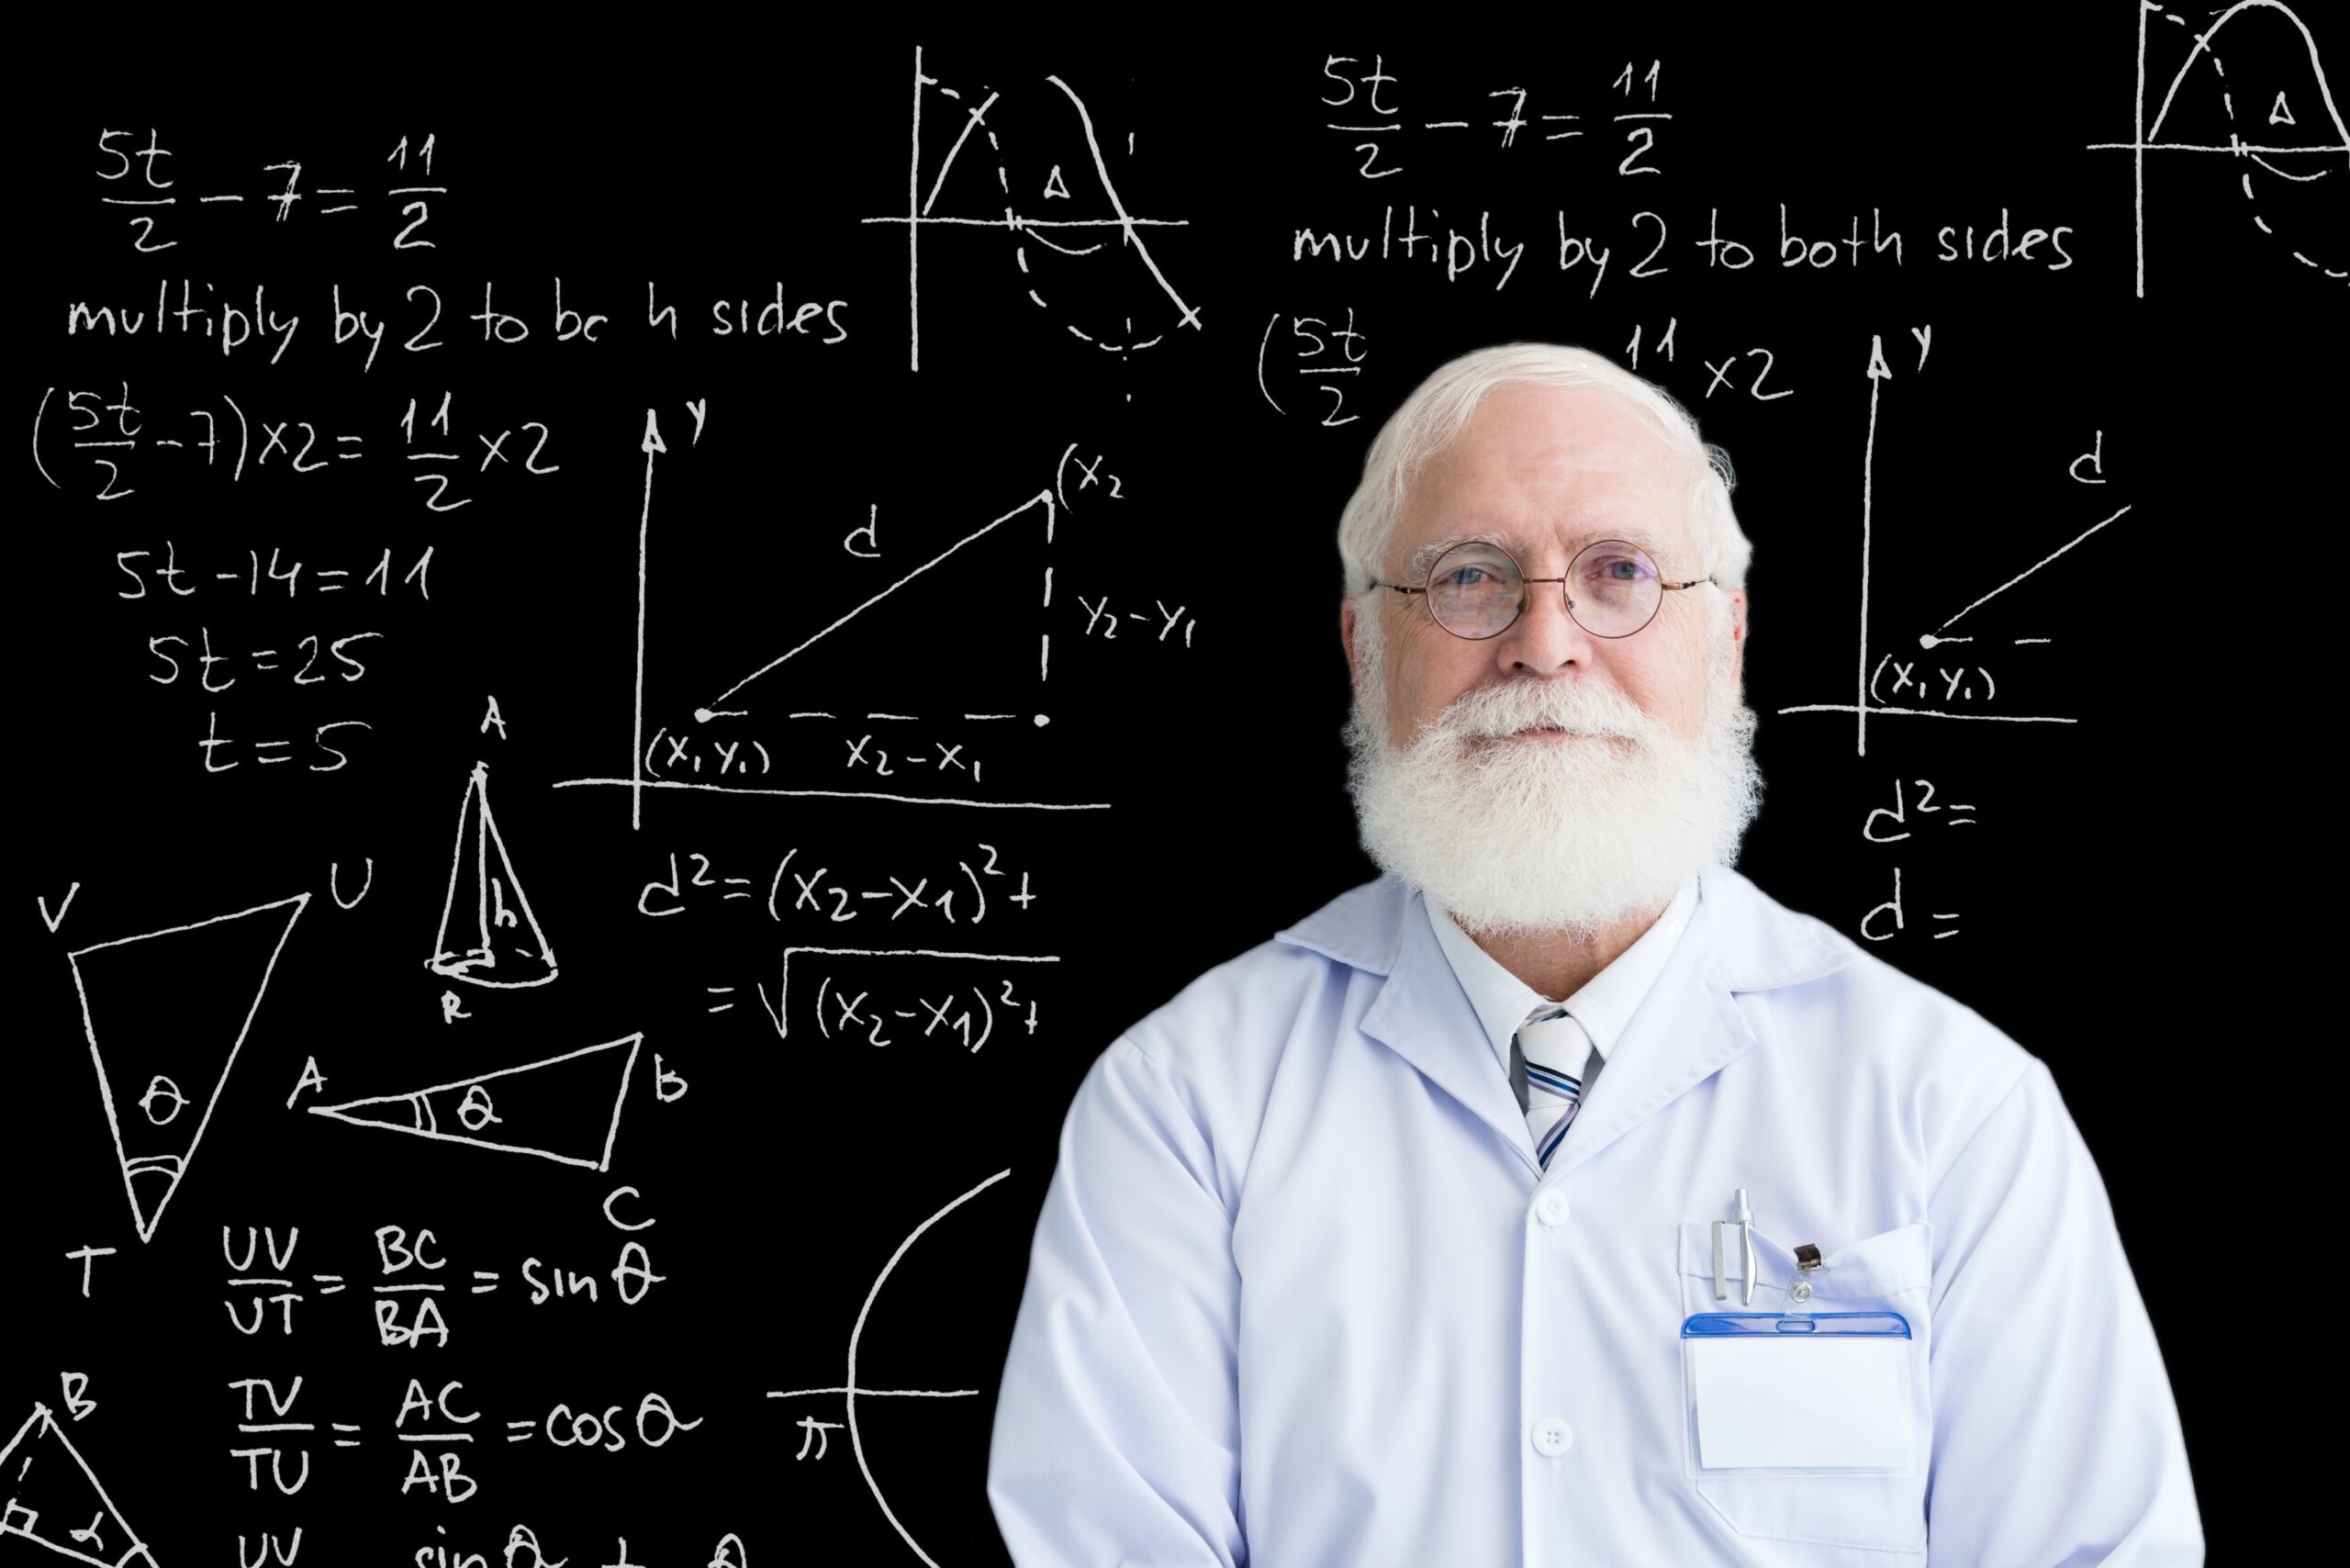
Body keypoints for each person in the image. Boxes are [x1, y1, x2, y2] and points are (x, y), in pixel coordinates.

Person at [986, 342, 2203, 1565]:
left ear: (1726, 638)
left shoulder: (1952, 1105)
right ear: (1363, 647)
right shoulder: (1189, 1102)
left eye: (1617, 574)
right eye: (1468, 577)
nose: (1546, 642)